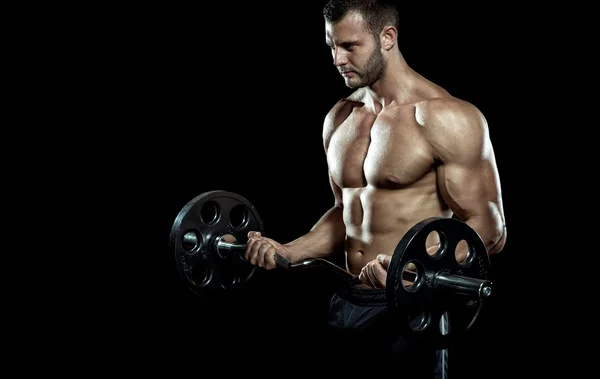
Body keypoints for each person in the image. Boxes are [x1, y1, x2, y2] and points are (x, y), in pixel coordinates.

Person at [244, 0, 506, 377]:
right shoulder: (341, 117)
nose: (337, 59)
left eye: (350, 46)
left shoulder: (445, 117)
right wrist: (288, 248)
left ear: (387, 37)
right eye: (331, 46)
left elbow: (490, 228)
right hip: (348, 298)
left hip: (414, 307)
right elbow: (344, 214)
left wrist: (408, 268)